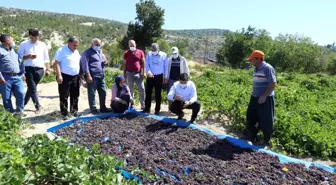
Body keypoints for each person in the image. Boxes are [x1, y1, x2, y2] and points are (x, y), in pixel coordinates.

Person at [246, 50, 277, 148]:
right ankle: (252, 137)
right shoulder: (256, 68)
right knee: (250, 117)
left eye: (252, 59)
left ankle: (266, 142)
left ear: (258, 59)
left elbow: (273, 83)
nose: (251, 61)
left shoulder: (267, 68)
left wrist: (264, 95)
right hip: (255, 97)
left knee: (266, 120)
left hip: (265, 98)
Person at [18, 28, 50, 113]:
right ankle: (38, 106)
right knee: (32, 88)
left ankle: (23, 104)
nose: (34, 39)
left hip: (40, 69)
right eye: (32, 38)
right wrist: (28, 56)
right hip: (28, 68)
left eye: (36, 38)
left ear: (38, 36)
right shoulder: (23, 44)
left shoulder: (42, 45)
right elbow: (19, 57)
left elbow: (46, 58)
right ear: (29, 36)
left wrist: (47, 69)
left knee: (32, 87)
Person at [54, 37, 81, 120]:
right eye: (74, 45)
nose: (75, 47)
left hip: (75, 76)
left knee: (75, 95)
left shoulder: (76, 52)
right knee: (64, 96)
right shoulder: (61, 50)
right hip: (64, 76)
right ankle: (64, 114)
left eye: (77, 45)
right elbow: (57, 63)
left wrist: (80, 77)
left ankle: (74, 111)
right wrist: (59, 75)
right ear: (69, 43)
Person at [80, 38, 109, 114]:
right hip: (92, 76)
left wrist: (105, 62)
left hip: (101, 76)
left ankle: (103, 108)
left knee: (103, 92)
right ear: (92, 44)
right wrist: (88, 75)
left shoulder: (100, 53)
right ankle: (93, 109)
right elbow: (85, 64)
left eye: (99, 45)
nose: (98, 46)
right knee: (92, 93)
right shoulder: (87, 53)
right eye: (96, 45)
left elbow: (103, 62)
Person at [0, 34, 25, 115]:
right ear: (7, 41)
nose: (13, 42)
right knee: (6, 97)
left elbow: (20, 62)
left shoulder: (14, 51)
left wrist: (22, 73)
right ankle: (9, 114)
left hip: (17, 77)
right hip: (5, 77)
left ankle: (19, 112)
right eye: (12, 40)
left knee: (20, 93)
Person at [144, 43, 168, 115]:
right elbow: (147, 64)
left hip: (159, 76)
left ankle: (157, 110)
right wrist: (148, 72)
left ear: (158, 49)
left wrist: (166, 77)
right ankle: (147, 108)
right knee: (148, 92)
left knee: (158, 93)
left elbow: (166, 67)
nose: (153, 51)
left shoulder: (164, 55)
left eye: (155, 50)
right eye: (152, 50)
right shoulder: (149, 54)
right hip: (150, 76)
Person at [123, 40, 146, 110]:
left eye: (133, 45)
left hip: (138, 73)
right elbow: (124, 64)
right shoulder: (126, 53)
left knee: (142, 89)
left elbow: (143, 62)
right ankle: (131, 104)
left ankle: (142, 104)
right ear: (128, 45)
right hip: (129, 73)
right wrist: (124, 74)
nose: (132, 47)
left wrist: (144, 72)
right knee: (130, 90)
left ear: (135, 44)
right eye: (130, 45)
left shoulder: (140, 52)